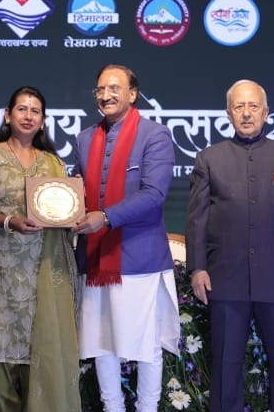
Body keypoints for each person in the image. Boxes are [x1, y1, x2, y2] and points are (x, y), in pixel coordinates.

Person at [186, 79, 274, 412]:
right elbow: (197, 220)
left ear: (266, 112)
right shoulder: (209, 159)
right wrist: (198, 268)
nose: (246, 114)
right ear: (228, 113)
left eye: (253, 106)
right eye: (239, 107)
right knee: (225, 364)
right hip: (225, 276)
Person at [71, 64, 179, 412]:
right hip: (94, 256)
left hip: (139, 257)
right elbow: (76, 191)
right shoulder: (85, 138)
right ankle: (112, 407)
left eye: (114, 88)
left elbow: (154, 194)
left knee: (146, 344)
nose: (106, 95)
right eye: (100, 89)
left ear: (133, 94)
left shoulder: (154, 135)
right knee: (101, 342)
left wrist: (105, 217)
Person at [0, 85, 80, 412]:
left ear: (43, 121)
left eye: (35, 111)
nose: (28, 116)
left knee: (42, 355)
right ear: (8, 115)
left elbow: (64, 209)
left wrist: (74, 217)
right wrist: (8, 222)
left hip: (43, 272)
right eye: (22, 109)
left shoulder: (53, 163)